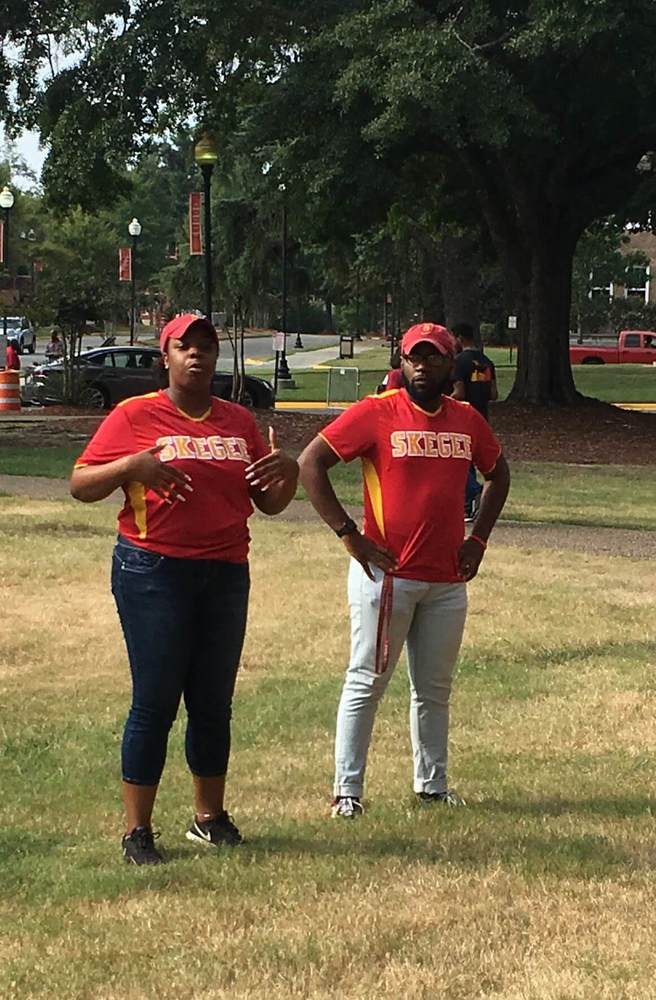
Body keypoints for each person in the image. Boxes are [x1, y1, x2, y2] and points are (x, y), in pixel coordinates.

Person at [70, 313, 299, 865]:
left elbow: (266, 504)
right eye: (184, 347)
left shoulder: (238, 422)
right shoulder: (135, 415)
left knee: (213, 703)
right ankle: (137, 830)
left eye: (206, 346)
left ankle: (209, 817)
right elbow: (80, 484)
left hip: (224, 573)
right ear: (165, 356)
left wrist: (285, 474)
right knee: (155, 703)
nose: (196, 355)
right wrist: (133, 465)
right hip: (153, 572)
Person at [298, 322, 509, 818]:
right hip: (388, 576)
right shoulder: (377, 413)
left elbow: (498, 474)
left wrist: (477, 537)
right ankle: (347, 792)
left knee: (434, 690)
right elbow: (310, 463)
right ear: (402, 360)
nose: (421, 366)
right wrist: (348, 534)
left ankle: (432, 786)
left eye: (432, 358)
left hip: (446, 580)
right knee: (366, 682)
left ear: (448, 364)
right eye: (413, 357)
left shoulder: (467, 420)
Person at [451, 323, 498, 522]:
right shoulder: (486, 362)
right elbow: (494, 394)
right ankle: (467, 507)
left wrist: (441, 401)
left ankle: (474, 492)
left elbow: (459, 393)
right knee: (471, 461)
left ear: (460, 338)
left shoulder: (459, 362)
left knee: (459, 462)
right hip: (482, 417)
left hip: (462, 417)